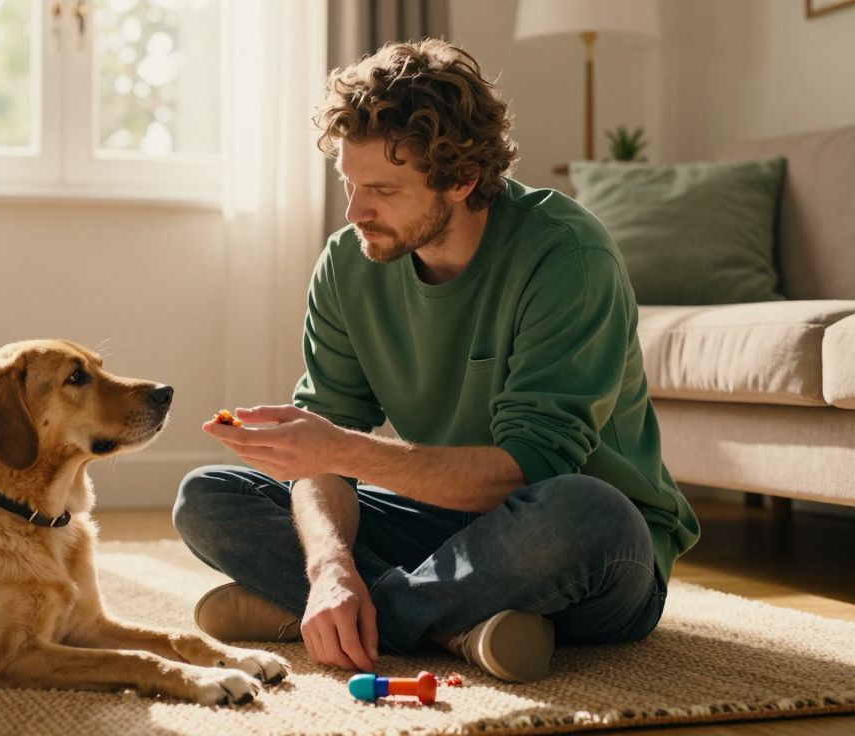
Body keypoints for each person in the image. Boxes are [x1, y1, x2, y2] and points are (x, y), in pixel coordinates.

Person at [171, 39, 700, 684]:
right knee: (208, 495)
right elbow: (322, 457)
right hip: (447, 528)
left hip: (579, 546)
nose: (354, 211)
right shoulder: (347, 263)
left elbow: (528, 473)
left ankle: (362, 615)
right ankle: (450, 623)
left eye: (383, 190)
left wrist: (341, 451)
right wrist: (329, 568)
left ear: (461, 178)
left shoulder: (568, 257)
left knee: (590, 512)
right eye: (349, 183)